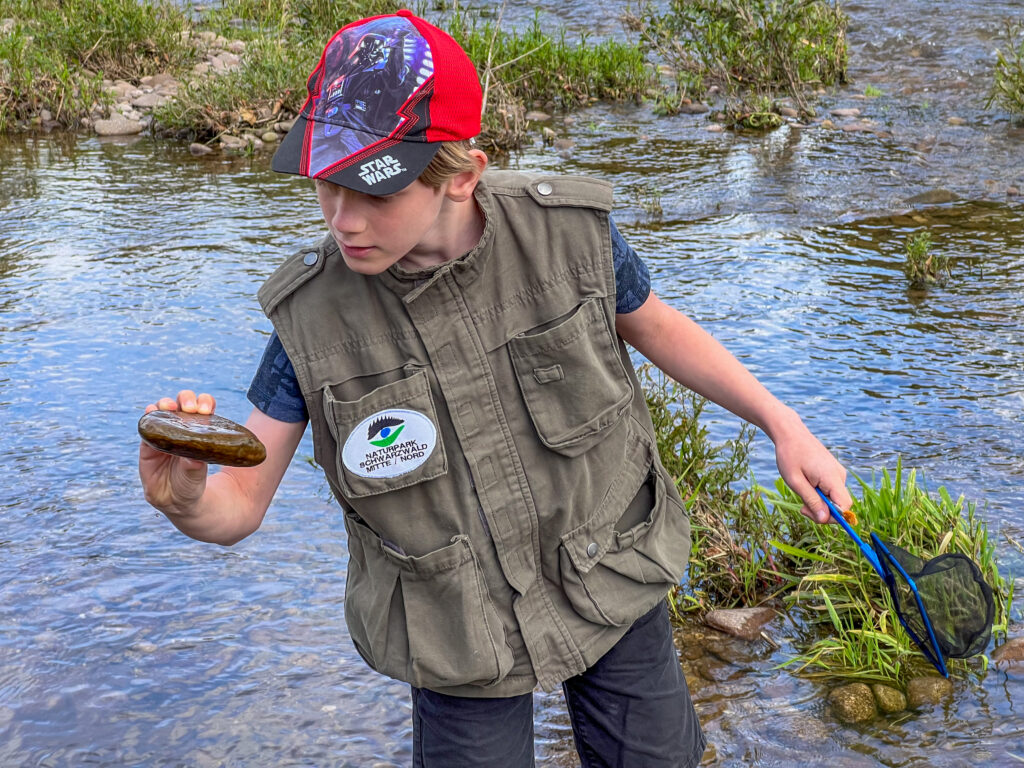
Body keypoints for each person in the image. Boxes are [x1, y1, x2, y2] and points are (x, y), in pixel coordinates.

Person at [139, 9, 853, 767]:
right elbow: (239, 509)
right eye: (324, 187)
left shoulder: (568, 237)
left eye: (372, 191)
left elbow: (660, 328)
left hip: (610, 578)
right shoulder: (309, 320)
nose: (342, 221)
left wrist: (783, 424)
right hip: (456, 634)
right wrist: (185, 498)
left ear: (464, 175)